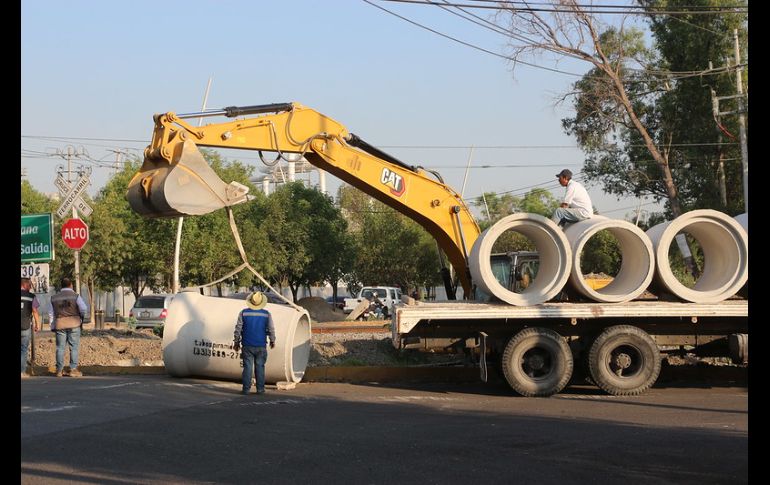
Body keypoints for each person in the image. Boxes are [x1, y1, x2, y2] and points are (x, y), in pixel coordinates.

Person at [233, 291, 275, 395]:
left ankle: (246, 389)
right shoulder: (266, 314)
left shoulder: (243, 313)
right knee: (260, 367)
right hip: (261, 345)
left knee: (247, 367)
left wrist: (236, 342)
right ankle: (260, 389)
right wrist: (272, 340)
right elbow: (271, 329)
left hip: (247, 345)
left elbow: (238, 328)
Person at [49, 277, 88, 377]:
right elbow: (84, 309)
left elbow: (51, 313)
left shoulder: (54, 297)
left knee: (60, 348)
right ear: (71, 285)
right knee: (73, 347)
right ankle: (73, 369)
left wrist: (52, 325)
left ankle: (59, 370)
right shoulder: (76, 296)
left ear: (61, 285)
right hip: (74, 324)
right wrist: (80, 318)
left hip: (60, 324)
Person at [21, 278, 41, 378]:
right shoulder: (31, 296)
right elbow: (35, 311)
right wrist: (38, 325)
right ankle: (22, 372)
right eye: (29, 285)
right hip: (25, 326)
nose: (30, 288)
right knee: (23, 349)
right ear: (25, 285)